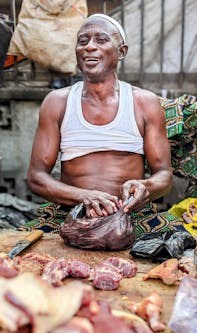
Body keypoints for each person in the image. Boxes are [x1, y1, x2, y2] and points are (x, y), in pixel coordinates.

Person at [21, 14, 184, 235]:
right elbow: (36, 177)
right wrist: (84, 196)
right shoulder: (57, 102)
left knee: (173, 249)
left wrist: (145, 187)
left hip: (131, 214)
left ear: (122, 51)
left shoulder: (144, 103)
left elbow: (164, 175)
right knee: (23, 253)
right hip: (70, 211)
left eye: (101, 40)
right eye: (83, 40)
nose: (89, 46)